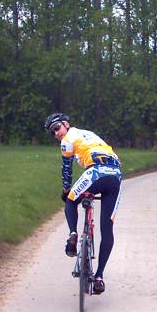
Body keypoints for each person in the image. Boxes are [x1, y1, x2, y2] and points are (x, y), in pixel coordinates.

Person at [44, 113, 122, 295]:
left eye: (57, 128)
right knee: (107, 229)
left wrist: (65, 191)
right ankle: (99, 277)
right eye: (52, 132)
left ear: (66, 125)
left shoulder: (67, 140)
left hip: (96, 171)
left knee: (71, 201)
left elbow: (66, 170)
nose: (56, 133)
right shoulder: (89, 134)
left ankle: (73, 235)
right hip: (116, 174)